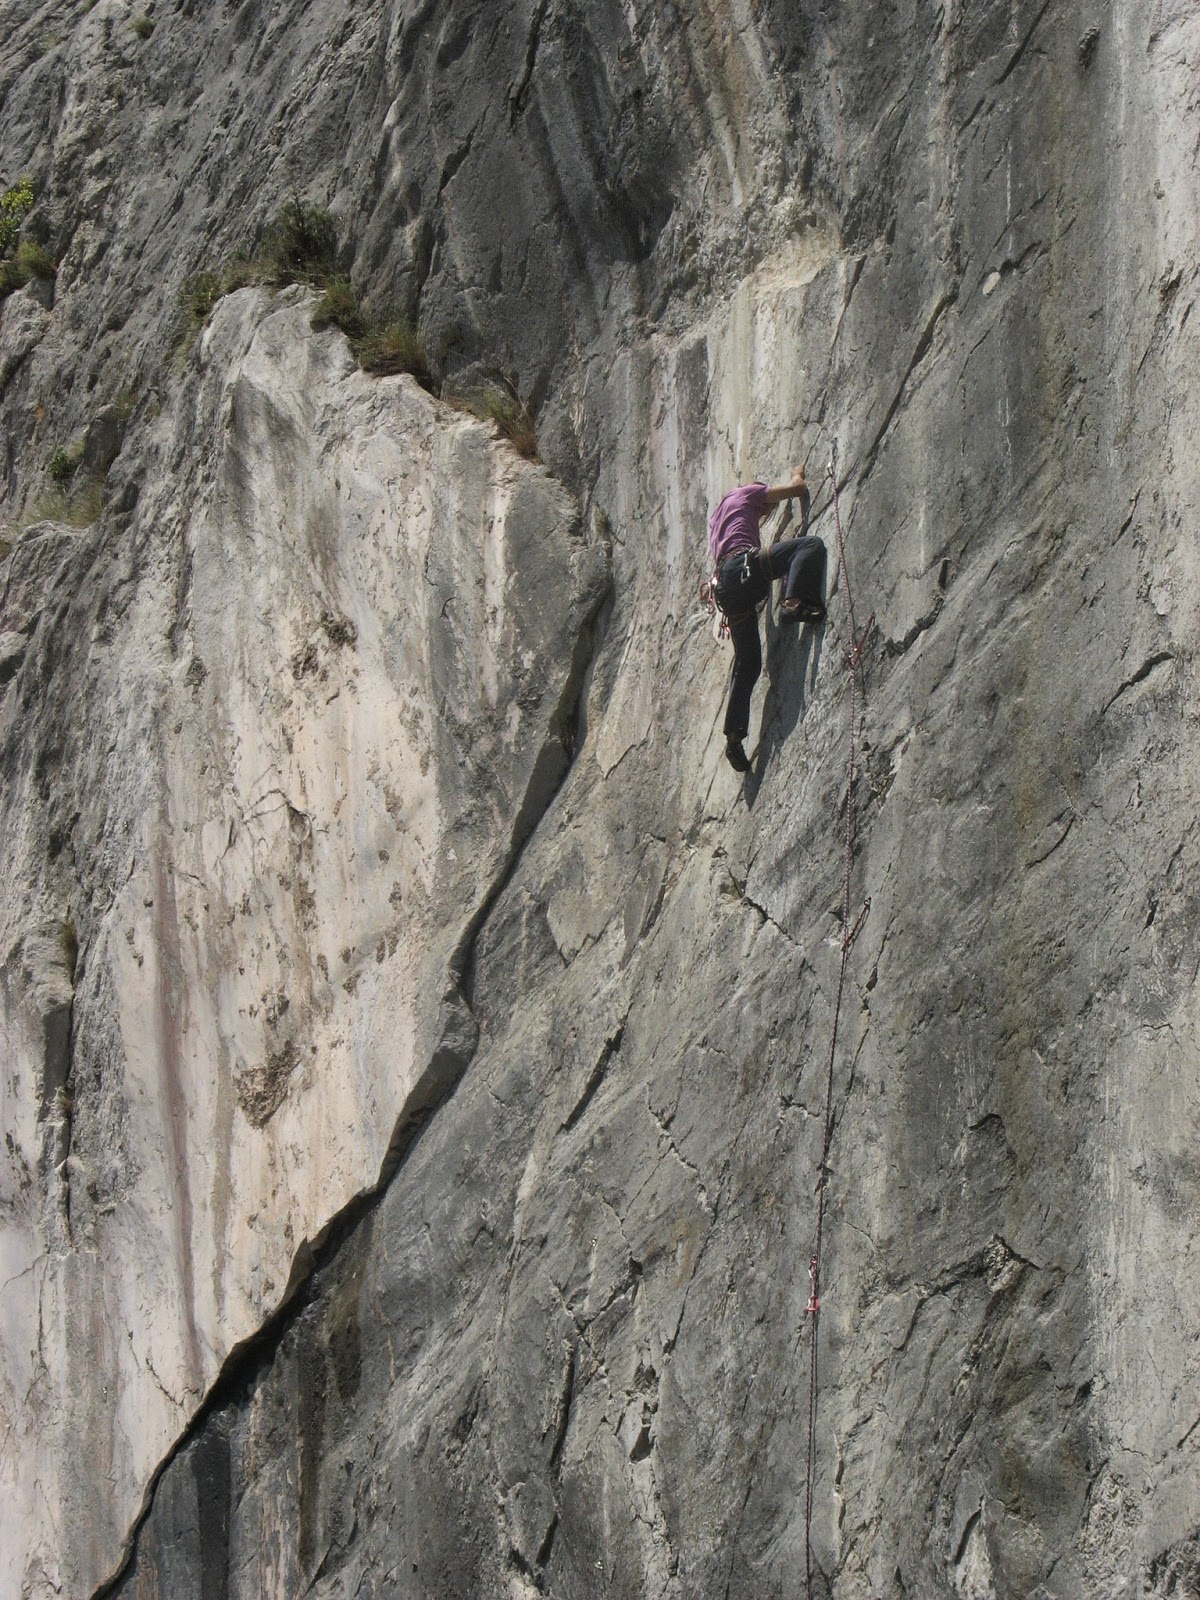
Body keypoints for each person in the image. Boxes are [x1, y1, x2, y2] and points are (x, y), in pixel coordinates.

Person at [709, 468, 827, 772]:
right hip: (742, 567)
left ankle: (734, 738)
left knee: (748, 663)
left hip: (727, 589)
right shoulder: (746, 493)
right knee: (808, 546)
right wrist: (797, 474)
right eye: (765, 508)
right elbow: (796, 489)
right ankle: (793, 602)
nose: (766, 513)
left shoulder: (718, 520)